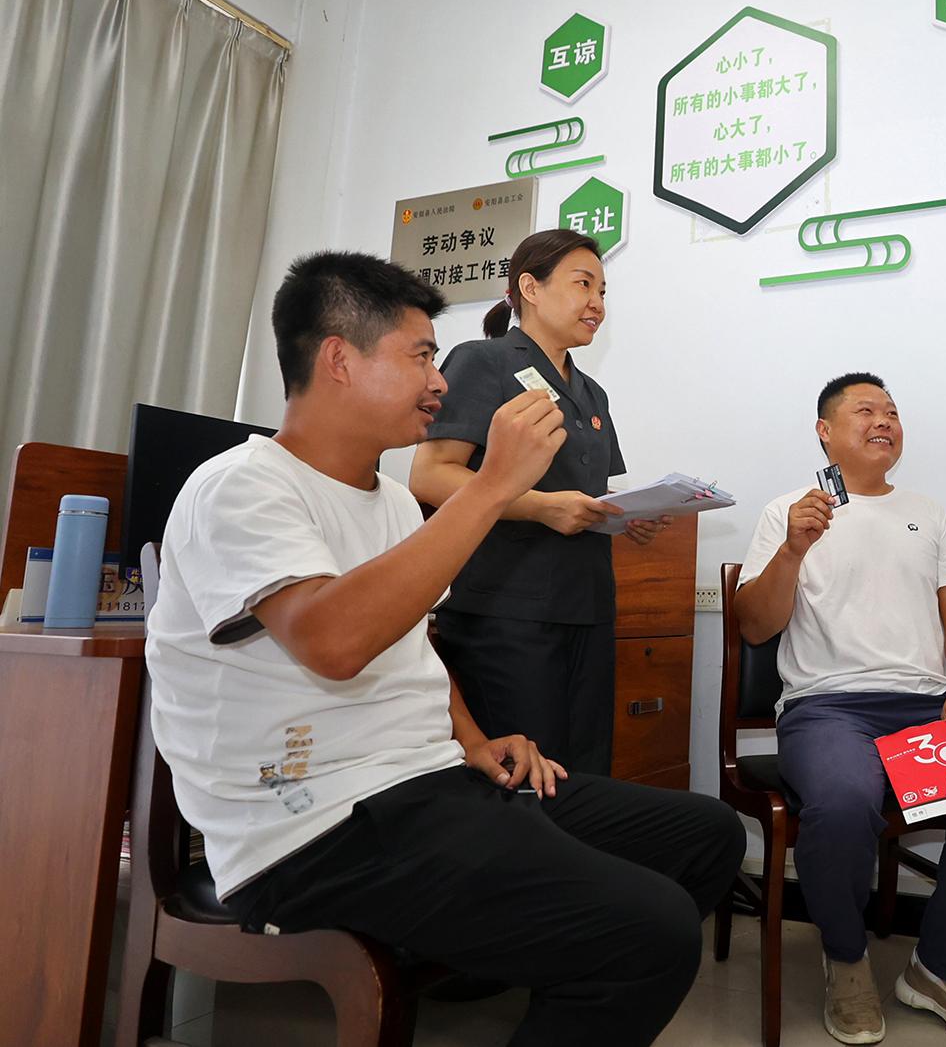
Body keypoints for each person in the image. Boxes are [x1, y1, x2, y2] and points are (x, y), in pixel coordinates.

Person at [145, 251, 744, 1046]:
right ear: (338, 359)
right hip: (313, 828)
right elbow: (333, 642)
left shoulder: (395, 502)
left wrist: (474, 741)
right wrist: (494, 487)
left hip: (428, 787)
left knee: (707, 836)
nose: (439, 381)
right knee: (654, 932)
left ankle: (538, 963)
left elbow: (414, 653)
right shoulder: (241, 484)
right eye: (421, 356)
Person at [734, 373, 946, 1047]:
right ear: (825, 431)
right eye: (865, 410)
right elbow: (754, 625)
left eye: (892, 412)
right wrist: (793, 548)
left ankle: (938, 969)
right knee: (844, 799)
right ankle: (846, 959)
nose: (884, 421)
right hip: (825, 708)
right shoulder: (789, 511)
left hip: (924, 707)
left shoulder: (929, 513)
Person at [410, 228, 660, 775]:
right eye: (583, 284)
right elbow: (430, 475)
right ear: (530, 288)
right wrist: (540, 507)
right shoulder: (484, 361)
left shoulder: (591, 392)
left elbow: (586, 492)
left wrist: (627, 515)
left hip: (586, 607)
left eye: (603, 290)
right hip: (507, 610)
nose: (597, 303)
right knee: (525, 776)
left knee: (586, 775)